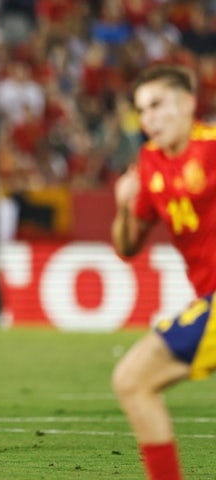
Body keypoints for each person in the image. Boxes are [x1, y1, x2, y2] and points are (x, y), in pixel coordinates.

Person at [111, 63, 216, 480]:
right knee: (133, 382)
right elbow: (127, 247)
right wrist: (123, 203)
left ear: (188, 103)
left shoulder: (211, 148)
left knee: (133, 379)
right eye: (142, 110)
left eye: (157, 105)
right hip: (207, 299)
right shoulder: (149, 163)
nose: (148, 118)